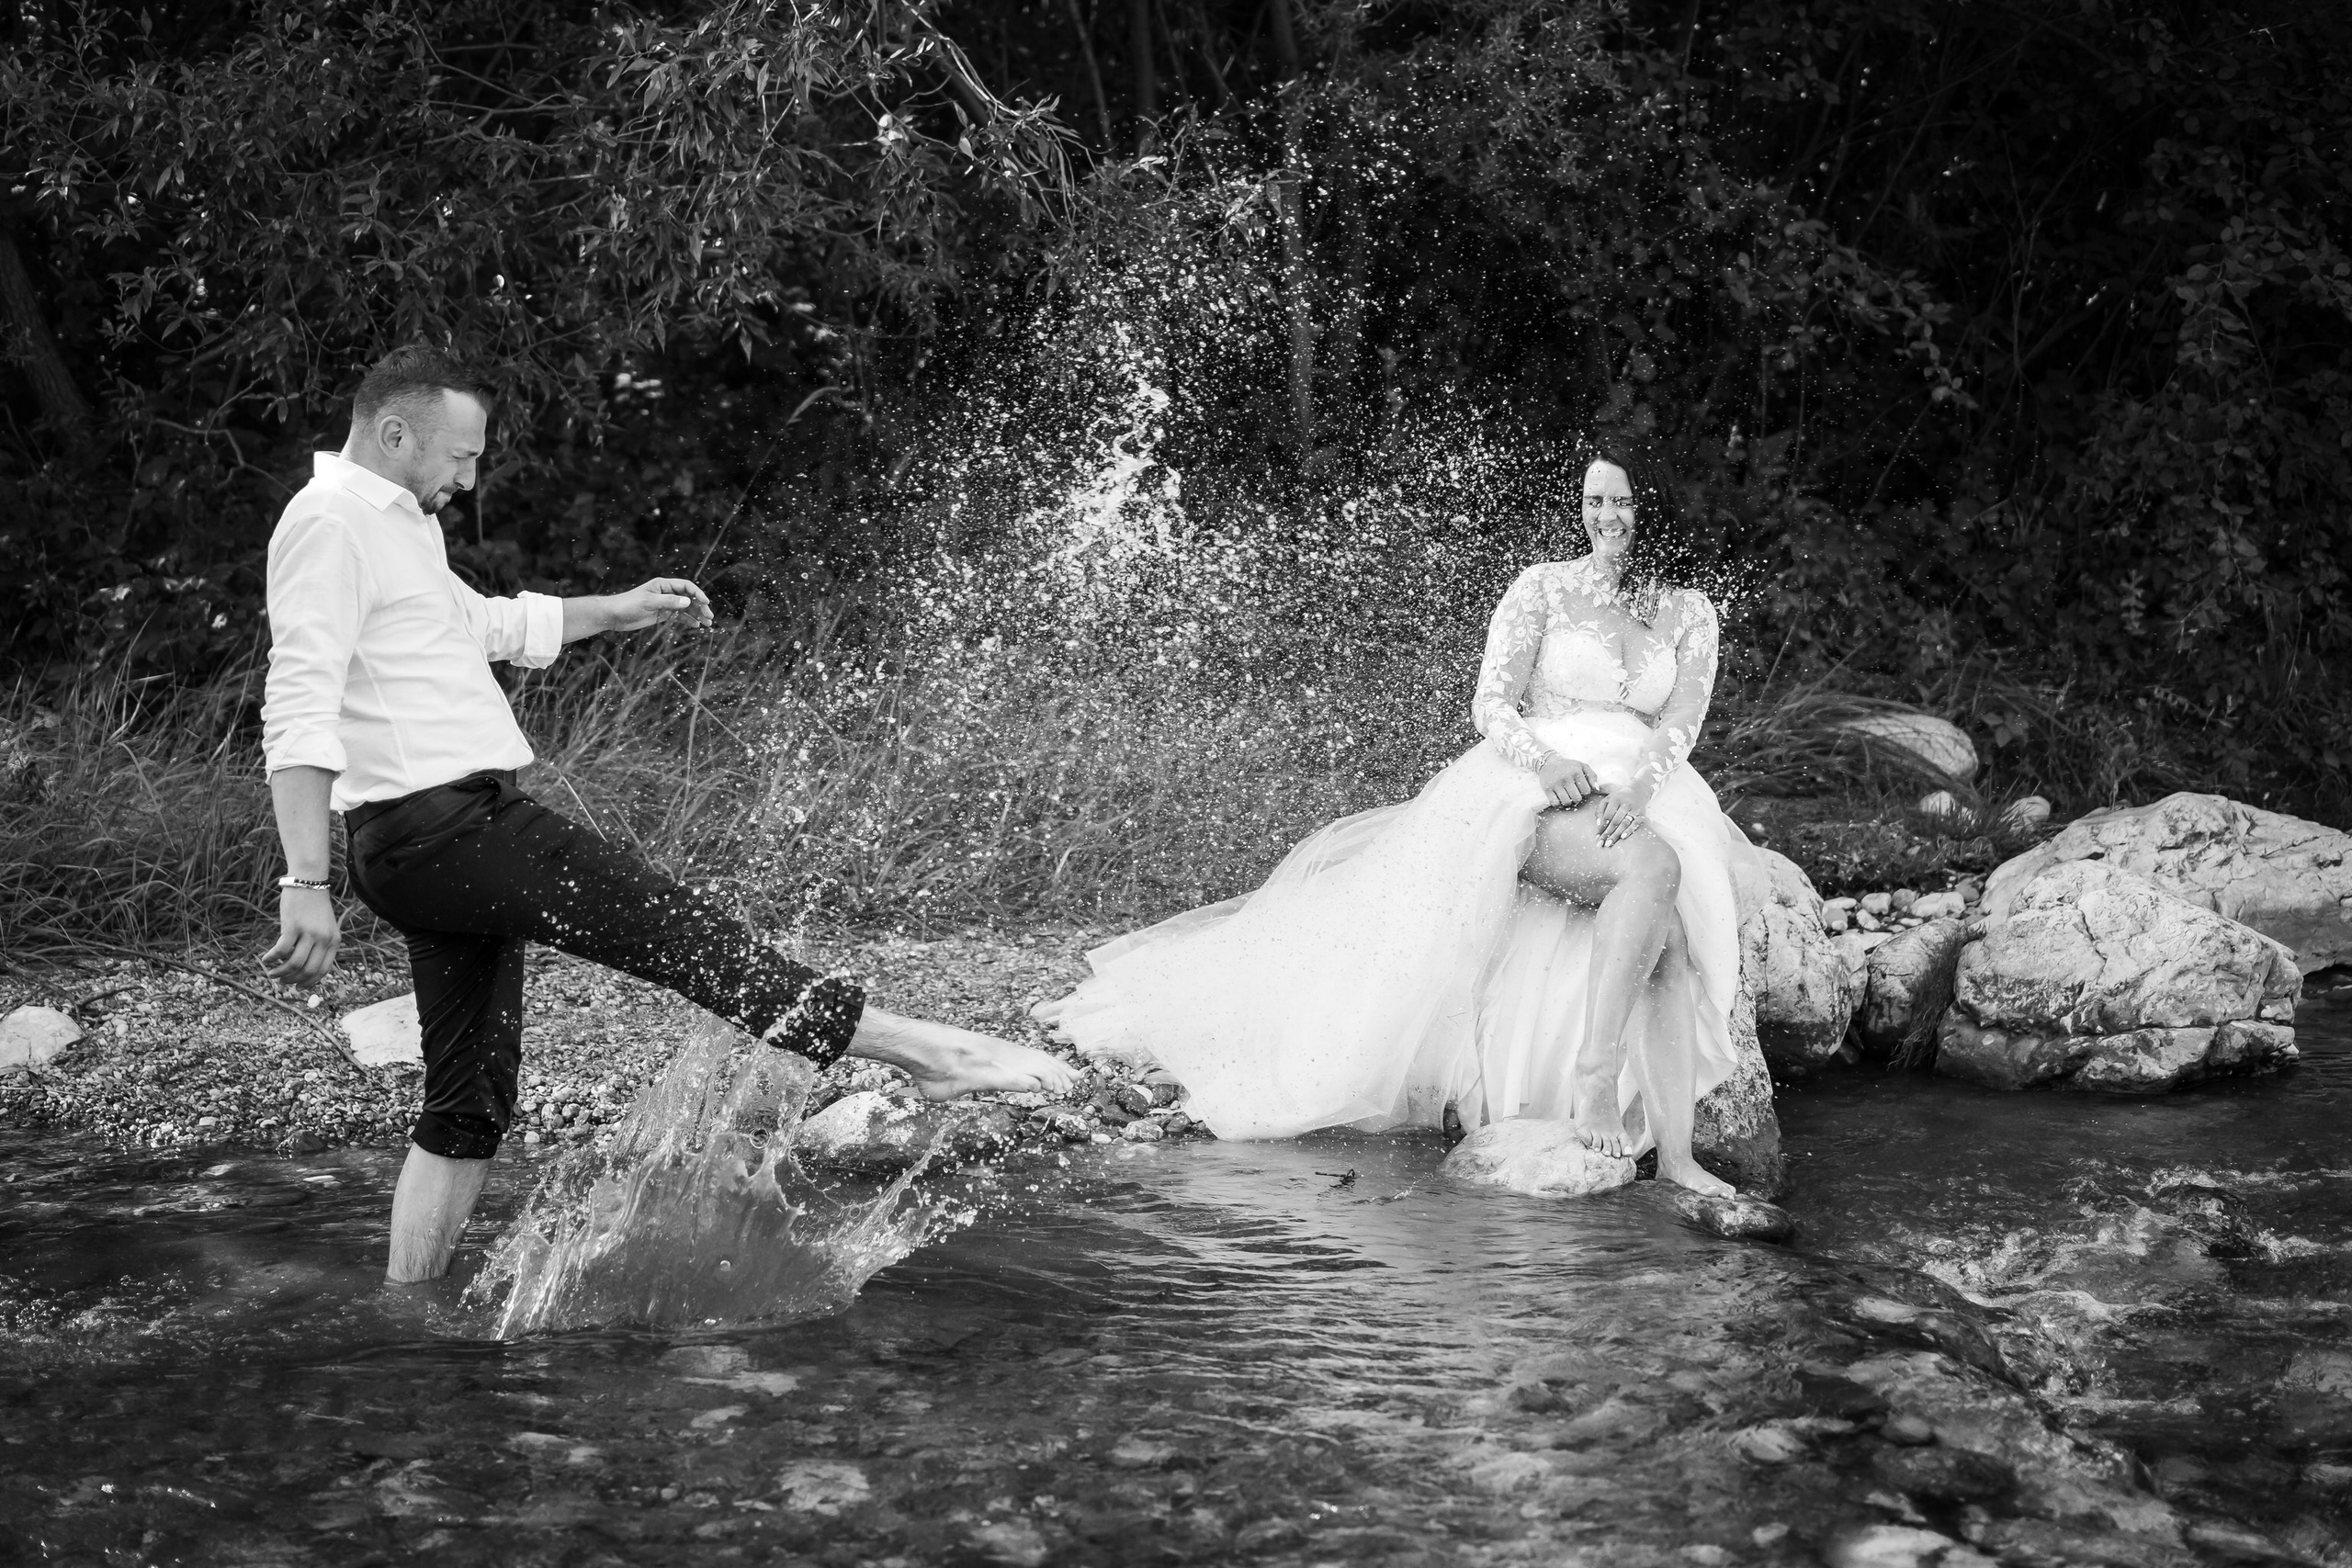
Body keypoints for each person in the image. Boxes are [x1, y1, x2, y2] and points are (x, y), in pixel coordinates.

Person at [259, 345, 1076, 1284]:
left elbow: (477, 625)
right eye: (460, 456)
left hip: (436, 843)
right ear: (394, 431)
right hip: (444, 830)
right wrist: (304, 879)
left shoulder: (393, 521)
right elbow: (298, 703)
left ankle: (405, 1313)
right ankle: (927, 1054)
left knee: (469, 1104)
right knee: (684, 936)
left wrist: (621, 609)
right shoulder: (328, 525)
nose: (468, 476)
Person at [1035, 447, 1755, 1196]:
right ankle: (1597, 1073)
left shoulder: (1689, 610)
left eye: (1622, 501)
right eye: (1594, 500)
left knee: (1669, 937)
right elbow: (1493, 704)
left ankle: (1677, 1159)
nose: (1606, 516)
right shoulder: (1541, 588)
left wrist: (1639, 790)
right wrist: (1544, 765)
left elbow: (1681, 716)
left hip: (1640, 789)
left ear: (1654, 511)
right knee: (1654, 869)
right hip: (1538, 791)